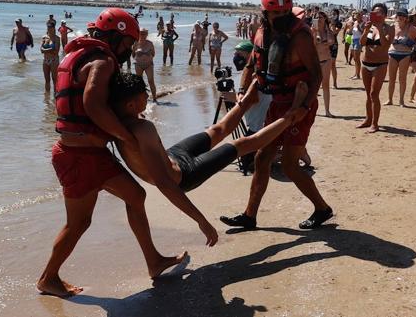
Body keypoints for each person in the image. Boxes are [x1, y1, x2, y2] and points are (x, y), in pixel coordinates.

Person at [38, 8, 190, 298]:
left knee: (135, 196)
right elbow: (94, 105)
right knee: (79, 222)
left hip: (83, 154)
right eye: (128, 43)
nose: (128, 51)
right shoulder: (103, 60)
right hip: (80, 159)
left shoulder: (76, 55)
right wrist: (126, 136)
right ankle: (48, 277)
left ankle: (154, 261)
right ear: (118, 37)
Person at [111, 73, 309, 235]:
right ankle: (292, 114)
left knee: (217, 129)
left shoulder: (114, 123)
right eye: (143, 95)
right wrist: (201, 221)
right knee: (242, 144)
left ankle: (248, 100)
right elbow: (164, 183)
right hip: (185, 175)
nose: (147, 96)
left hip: (172, 156)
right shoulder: (142, 129)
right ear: (130, 104)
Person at [219, 0, 332, 230]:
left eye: (284, 12)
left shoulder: (300, 36)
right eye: (275, 13)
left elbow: (315, 75)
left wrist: (302, 107)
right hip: (276, 102)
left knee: (290, 165)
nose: (281, 17)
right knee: (262, 158)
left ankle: (322, 209)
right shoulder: (261, 33)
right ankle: (250, 216)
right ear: (265, 13)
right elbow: (250, 65)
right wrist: (243, 90)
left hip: (298, 104)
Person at [358, 3, 393, 133]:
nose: (377, 15)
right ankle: (368, 119)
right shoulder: (369, 27)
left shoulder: (389, 28)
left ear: (384, 15)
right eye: (374, 12)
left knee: (374, 93)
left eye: (379, 13)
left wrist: (379, 29)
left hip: (380, 64)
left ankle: (375, 123)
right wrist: (366, 30)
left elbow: (385, 45)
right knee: (368, 94)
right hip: (366, 63)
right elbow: (362, 43)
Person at [386, 8, 416, 107]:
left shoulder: (410, 28)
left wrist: (413, 43)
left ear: (406, 18)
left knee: (402, 78)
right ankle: (390, 99)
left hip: (405, 54)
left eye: (403, 15)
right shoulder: (393, 26)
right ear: (396, 16)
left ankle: (401, 101)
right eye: (399, 15)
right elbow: (387, 37)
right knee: (391, 78)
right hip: (392, 53)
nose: (401, 17)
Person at [313, 11, 334, 117]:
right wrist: (315, 32)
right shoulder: (312, 30)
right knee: (314, 87)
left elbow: (331, 41)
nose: (319, 19)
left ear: (325, 19)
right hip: (315, 62)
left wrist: (325, 41)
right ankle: (312, 110)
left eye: (320, 17)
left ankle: (327, 110)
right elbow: (312, 44)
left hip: (326, 60)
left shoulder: (328, 31)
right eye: (316, 17)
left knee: (325, 85)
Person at [131, 28, 157, 101]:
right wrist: (139, 58)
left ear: (147, 34)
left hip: (149, 65)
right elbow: (133, 55)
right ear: (138, 34)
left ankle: (155, 99)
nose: (142, 35)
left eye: (144, 33)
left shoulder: (150, 43)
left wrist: (147, 57)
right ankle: (141, 98)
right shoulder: (135, 43)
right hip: (138, 65)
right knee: (139, 81)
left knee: (151, 80)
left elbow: (153, 54)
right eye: (141, 33)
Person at [40, 23, 61, 93]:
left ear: (54, 28)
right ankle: (47, 97)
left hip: (54, 60)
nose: (49, 29)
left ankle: (55, 96)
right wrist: (50, 49)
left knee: (54, 80)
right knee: (47, 80)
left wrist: (45, 50)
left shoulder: (57, 38)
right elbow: (41, 50)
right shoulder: (44, 37)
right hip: (45, 60)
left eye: (51, 28)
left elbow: (56, 51)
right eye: (48, 28)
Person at [349, 11, 364, 79]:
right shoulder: (354, 22)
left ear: (361, 16)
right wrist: (351, 27)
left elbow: (363, 33)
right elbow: (351, 32)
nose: (357, 17)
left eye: (359, 15)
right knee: (355, 58)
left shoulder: (363, 23)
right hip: (353, 39)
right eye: (356, 16)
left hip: (358, 40)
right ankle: (356, 73)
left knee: (357, 58)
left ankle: (358, 75)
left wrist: (359, 28)